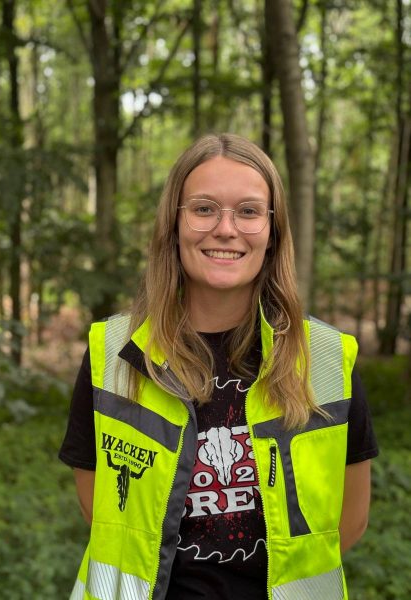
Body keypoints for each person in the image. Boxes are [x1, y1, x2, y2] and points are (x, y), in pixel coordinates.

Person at [59, 133, 378, 600]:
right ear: (174, 223)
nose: (225, 229)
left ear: (272, 232)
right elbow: (100, 510)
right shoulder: (114, 354)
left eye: (248, 211)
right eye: (204, 208)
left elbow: (349, 521)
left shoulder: (327, 358)